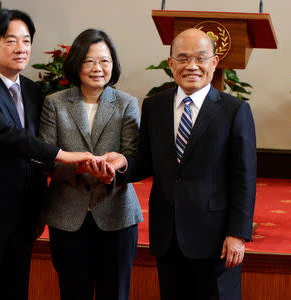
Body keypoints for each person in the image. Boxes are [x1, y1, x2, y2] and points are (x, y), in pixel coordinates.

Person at [101, 28, 257, 300]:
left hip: (216, 237)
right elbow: (148, 161)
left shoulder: (235, 111)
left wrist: (237, 233)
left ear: (214, 62)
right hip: (168, 235)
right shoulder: (154, 106)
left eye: (200, 58)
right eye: (183, 58)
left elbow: (244, 177)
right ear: (171, 64)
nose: (192, 66)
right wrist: (124, 162)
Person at [0, 9, 94, 300]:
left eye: (26, 41)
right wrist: (63, 154)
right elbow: (11, 138)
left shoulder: (31, 90)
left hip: (22, 218)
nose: (21, 49)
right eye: (11, 41)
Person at [39, 29, 143, 300]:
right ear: (76, 64)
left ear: (113, 64)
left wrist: (115, 173)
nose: (98, 68)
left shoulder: (126, 104)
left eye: (105, 61)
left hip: (117, 216)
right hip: (68, 215)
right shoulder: (55, 104)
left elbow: (133, 155)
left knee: (115, 293)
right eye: (89, 61)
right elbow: (46, 158)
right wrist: (78, 167)